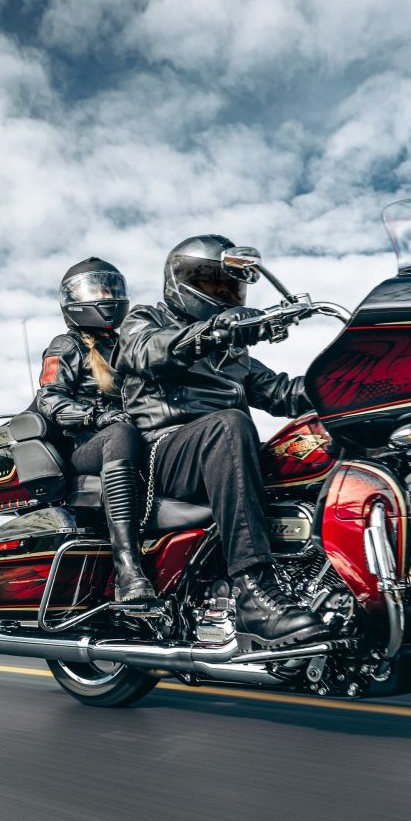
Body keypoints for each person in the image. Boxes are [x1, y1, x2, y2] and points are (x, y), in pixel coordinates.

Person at [115, 235, 324, 645]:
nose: (225, 295)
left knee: (317, 441)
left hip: (224, 452)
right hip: (164, 455)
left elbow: (283, 393)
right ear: (181, 280)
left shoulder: (234, 354)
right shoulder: (145, 321)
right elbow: (148, 351)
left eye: (232, 287)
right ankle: (253, 591)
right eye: (214, 284)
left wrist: (349, 383)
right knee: (228, 424)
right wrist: (215, 330)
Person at [33, 258, 156, 608]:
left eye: (112, 288)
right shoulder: (66, 345)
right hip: (85, 445)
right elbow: (50, 400)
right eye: (98, 289)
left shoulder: (127, 346)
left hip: (129, 435)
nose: (107, 296)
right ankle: (127, 567)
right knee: (120, 433)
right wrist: (97, 416)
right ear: (73, 300)